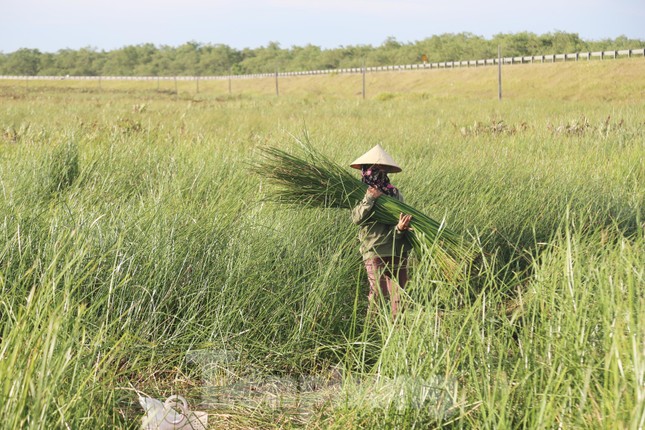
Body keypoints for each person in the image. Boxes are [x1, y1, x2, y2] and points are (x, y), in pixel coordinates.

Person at [350, 145, 413, 320]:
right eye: (372, 169)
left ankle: (398, 332)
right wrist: (370, 198)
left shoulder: (394, 193)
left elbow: (398, 221)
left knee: (399, 297)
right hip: (374, 249)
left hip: (397, 249)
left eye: (380, 169)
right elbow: (356, 218)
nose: (376, 172)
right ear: (365, 170)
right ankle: (370, 333)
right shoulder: (359, 192)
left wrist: (400, 228)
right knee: (377, 293)